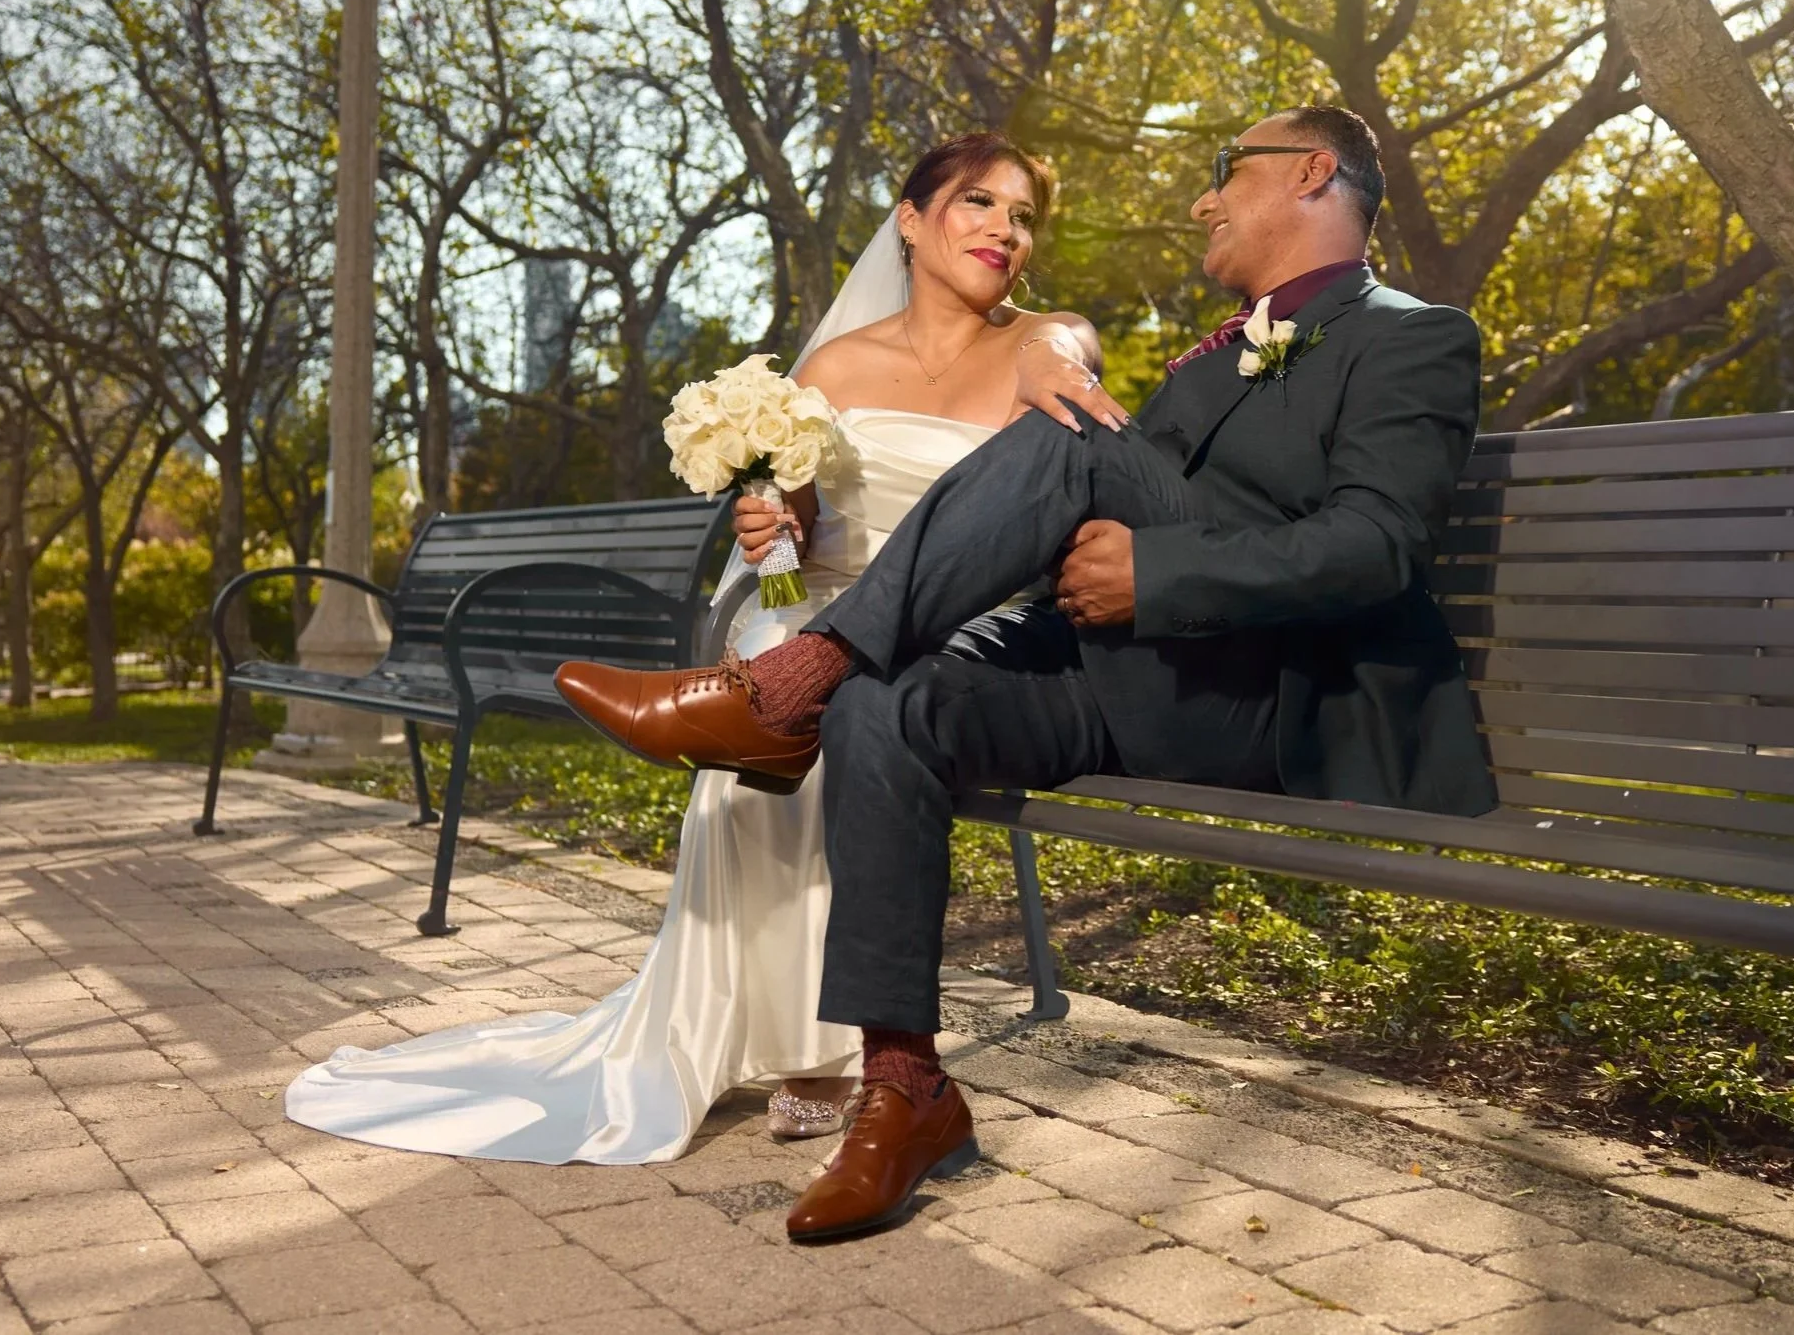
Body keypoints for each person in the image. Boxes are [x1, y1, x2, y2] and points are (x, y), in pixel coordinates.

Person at [556, 104, 1498, 1234]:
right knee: (885, 702)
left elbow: (1375, 543)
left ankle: (783, 687)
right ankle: (906, 1088)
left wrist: (1155, 571)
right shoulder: (1213, 353)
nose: (1202, 199)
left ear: (1308, 172)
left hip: (1267, 693)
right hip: (1122, 675)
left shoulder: (1411, 334)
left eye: (1220, 172)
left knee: (1062, 428)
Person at [285, 130, 1107, 1163]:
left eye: (1021, 214)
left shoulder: (1047, 337)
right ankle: (804, 1043)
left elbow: (1066, 375)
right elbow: (794, 516)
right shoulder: (840, 362)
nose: (1003, 229)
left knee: (812, 698)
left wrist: (1045, 347)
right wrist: (771, 521)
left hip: (962, 634)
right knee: (777, 676)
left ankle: (840, 1033)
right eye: (977, 202)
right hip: (825, 608)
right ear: (909, 215)